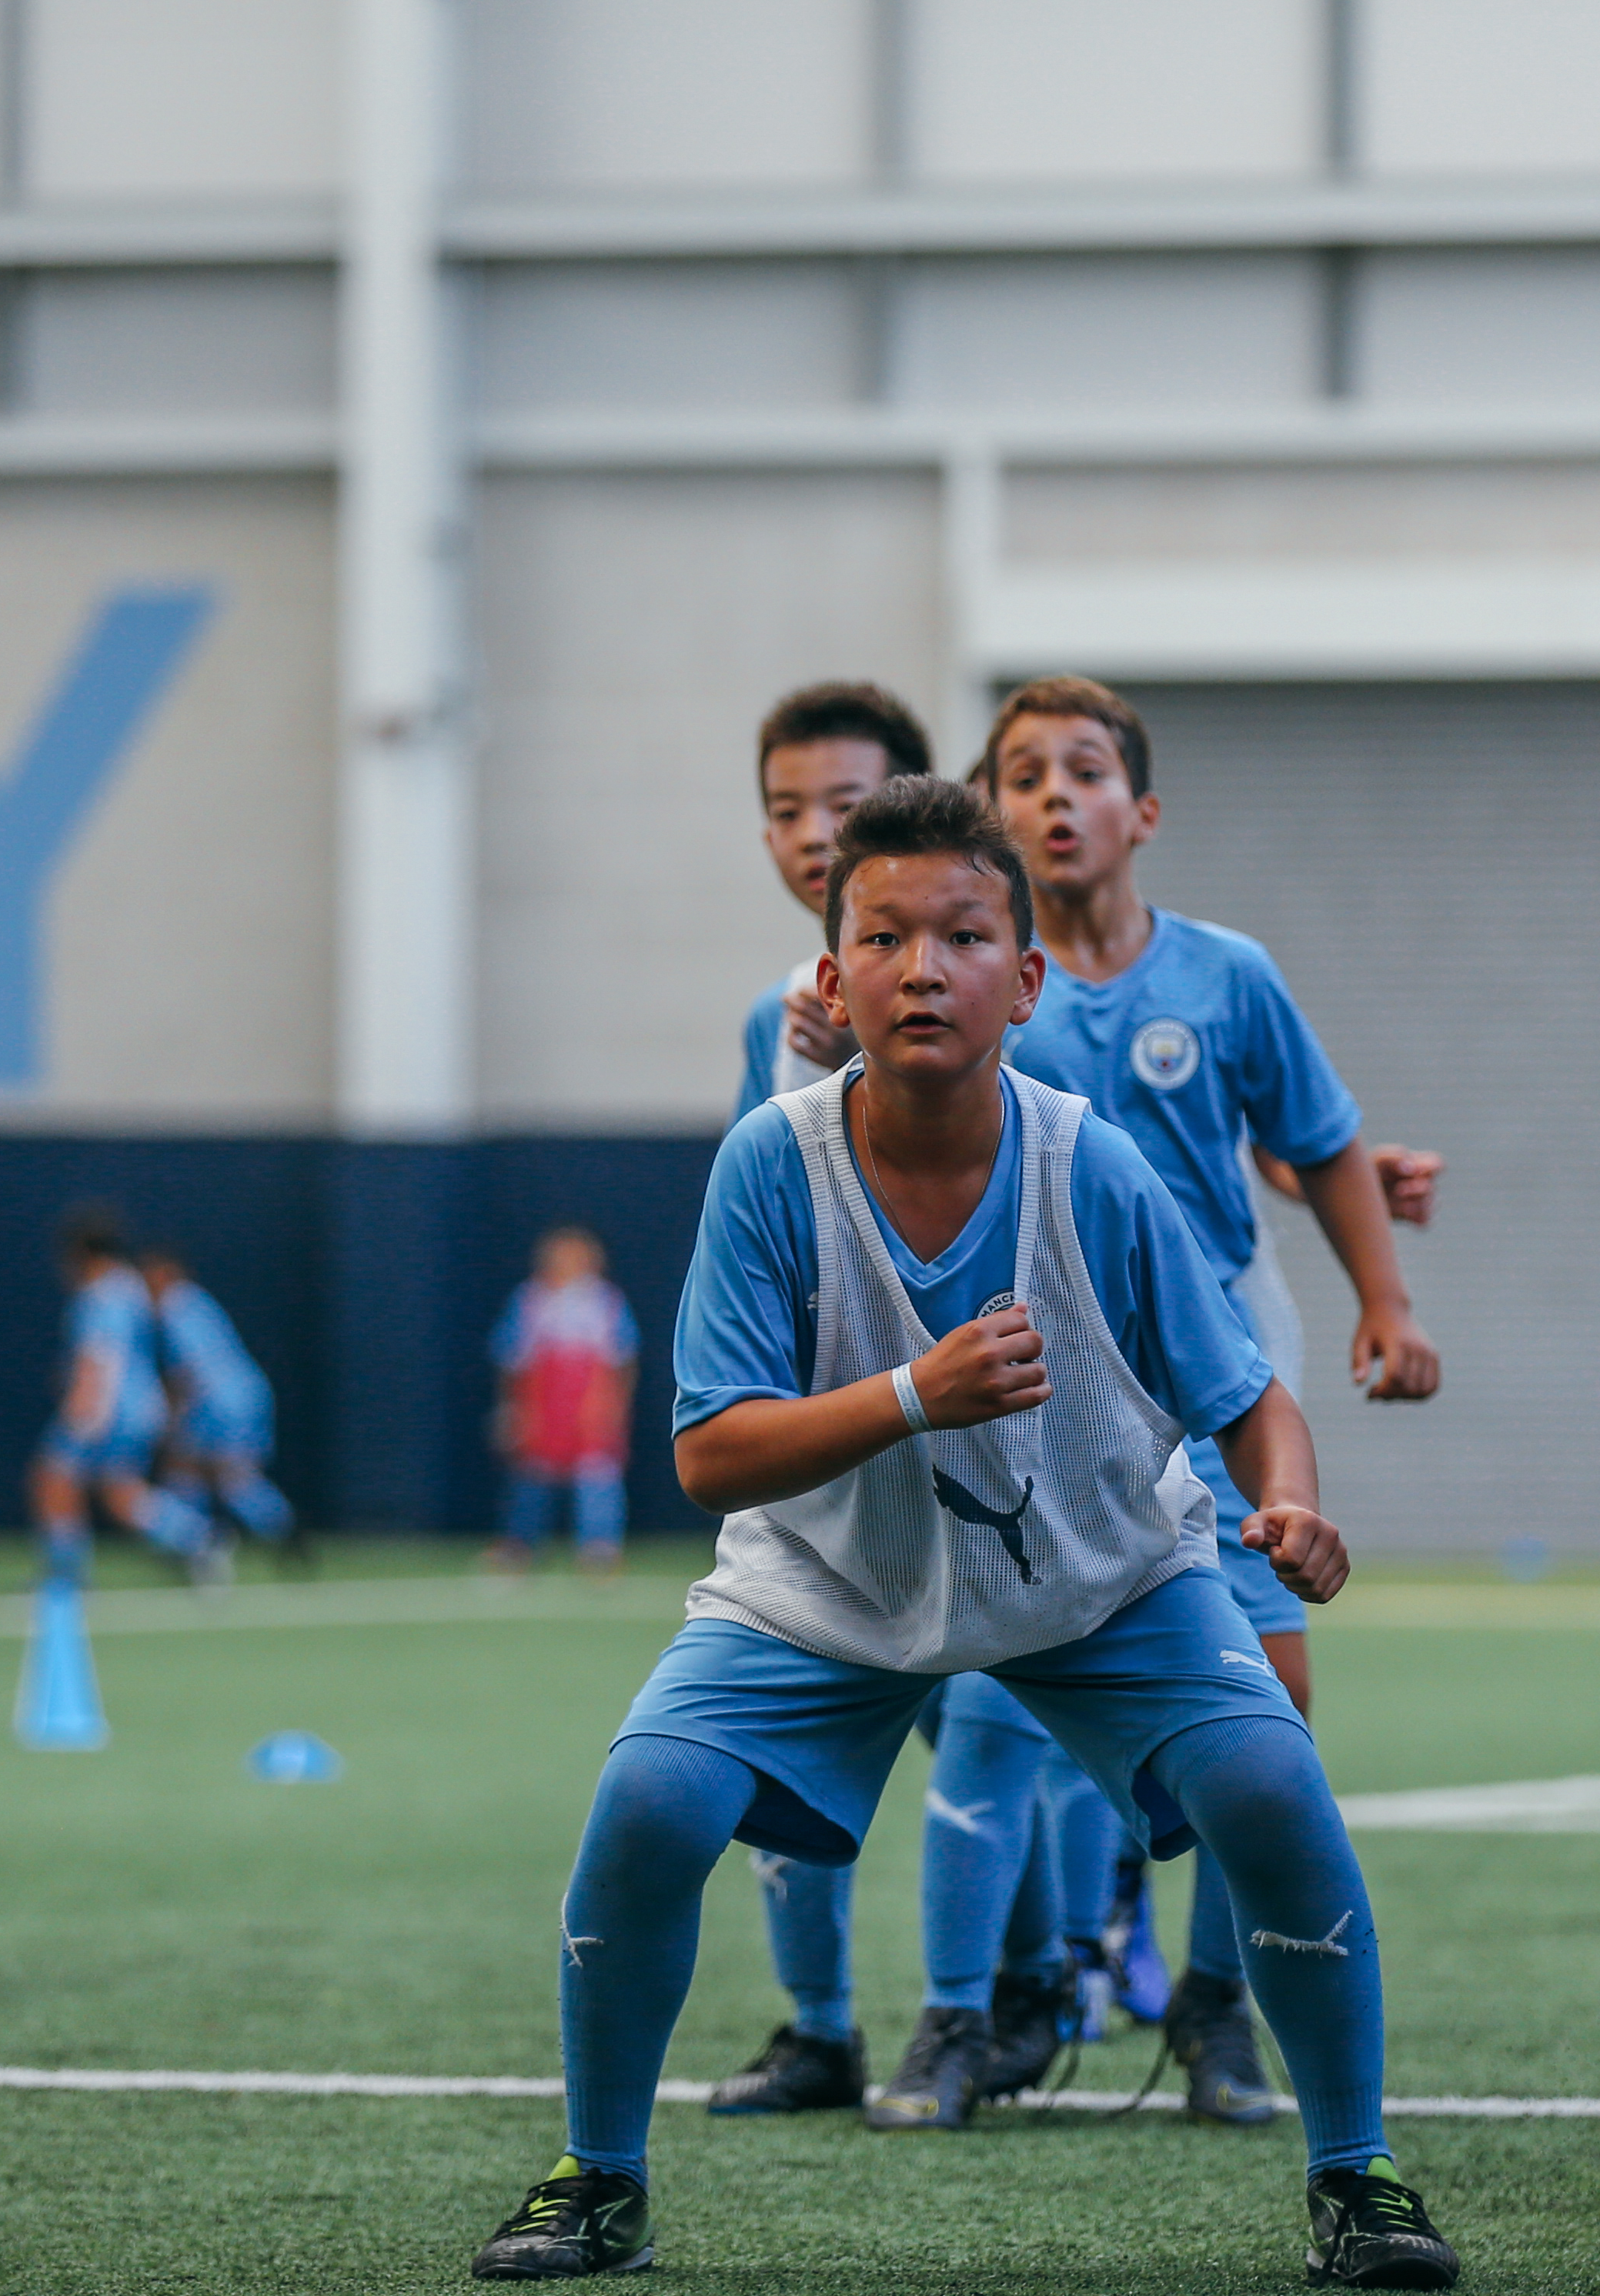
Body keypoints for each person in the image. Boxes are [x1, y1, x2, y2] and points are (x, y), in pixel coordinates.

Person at [469, 778, 1458, 2288]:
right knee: (648, 1812)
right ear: (831, 975)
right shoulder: (771, 1165)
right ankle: (598, 2176)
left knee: (1272, 1786)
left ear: (1027, 978)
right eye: (883, 936)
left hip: (1101, 1579)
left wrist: (1296, 1500)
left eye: (962, 935)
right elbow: (709, 1453)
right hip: (825, 1585)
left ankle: (1358, 2179)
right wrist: (916, 1395)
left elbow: (1249, 1398)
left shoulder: (1092, 1166)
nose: (923, 966)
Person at [967, 674, 1445, 2128]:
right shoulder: (981, 978)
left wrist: (1383, 1296)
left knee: (1266, 1693)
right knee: (1004, 1699)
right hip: (1032, 1370)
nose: (1054, 794)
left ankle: (1214, 2006)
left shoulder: (1225, 975)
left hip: (1215, 1353)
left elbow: (1311, 1136)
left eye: (1085, 769)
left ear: (1142, 811)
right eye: (1022, 773)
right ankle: (1001, 1991)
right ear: (991, 815)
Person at [707, 679, 942, 2121]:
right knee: (773, 1728)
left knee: (1001, 1733)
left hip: (975, 1431)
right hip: (826, 1440)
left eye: (843, 806)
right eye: (783, 811)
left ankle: (1007, 1996)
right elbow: (756, 1204)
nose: (810, 835)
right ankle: (819, 2026)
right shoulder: (768, 1017)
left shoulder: (972, 981)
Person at [33, 1207, 225, 1587]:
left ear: (80, 1253)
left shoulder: (97, 1295)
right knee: (119, 1492)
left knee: (52, 1477)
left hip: (107, 1409)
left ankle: (64, 1576)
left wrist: (80, 1409)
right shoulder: (132, 1287)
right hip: (140, 1407)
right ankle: (197, 1536)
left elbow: (99, 1357)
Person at [489, 1227, 638, 1577]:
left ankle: (599, 1549)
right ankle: (519, 1547)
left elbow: (623, 1361)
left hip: (590, 1403)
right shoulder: (529, 1301)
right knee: (531, 1477)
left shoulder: (606, 1303)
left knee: (597, 1476)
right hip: (543, 1404)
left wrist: (614, 1407)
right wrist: (513, 1409)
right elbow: (512, 1360)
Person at [145, 1246, 300, 1557]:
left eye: (150, 1277)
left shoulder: (177, 1305)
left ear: (167, 1274)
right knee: (201, 1470)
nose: (145, 1286)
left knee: (222, 1474)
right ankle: (193, 1539)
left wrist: (167, 1413)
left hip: (223, 1402)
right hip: (241, 1394)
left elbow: (190, 1371)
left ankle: (197, 1538)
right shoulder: (195, 1302)